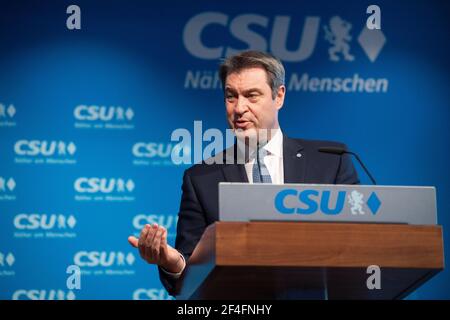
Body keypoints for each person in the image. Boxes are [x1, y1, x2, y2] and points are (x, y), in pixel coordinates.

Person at [128, 50, 359, 295]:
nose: (239, 108)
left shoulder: (331, 162)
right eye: (231, 96)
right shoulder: (201, 179)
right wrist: (172, 262)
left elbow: (362, 244)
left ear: (278, 96)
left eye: (251, 96)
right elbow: (186, 280)